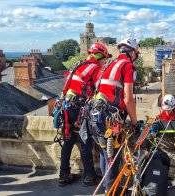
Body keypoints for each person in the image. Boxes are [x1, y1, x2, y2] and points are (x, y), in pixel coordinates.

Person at [58, 42, 112, 187]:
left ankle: (64, 175)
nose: (105, 62)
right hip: (79, 107)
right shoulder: (95, 68)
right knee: (85, 142)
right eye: (105, 59)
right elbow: (98, 90)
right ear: (100, 56)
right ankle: (89, 176)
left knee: (68, 141)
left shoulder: (79, 65)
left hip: (67, 105)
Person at [92, 38, 140, 193]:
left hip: (95, 113)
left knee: (104, 153)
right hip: (109, 116)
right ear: (132, 52)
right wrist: (134, 122)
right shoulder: (127, 66)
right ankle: (111, 191)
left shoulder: (109, 64)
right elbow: (128, 99)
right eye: (136, 52)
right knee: (112, 156)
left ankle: (109, 188)